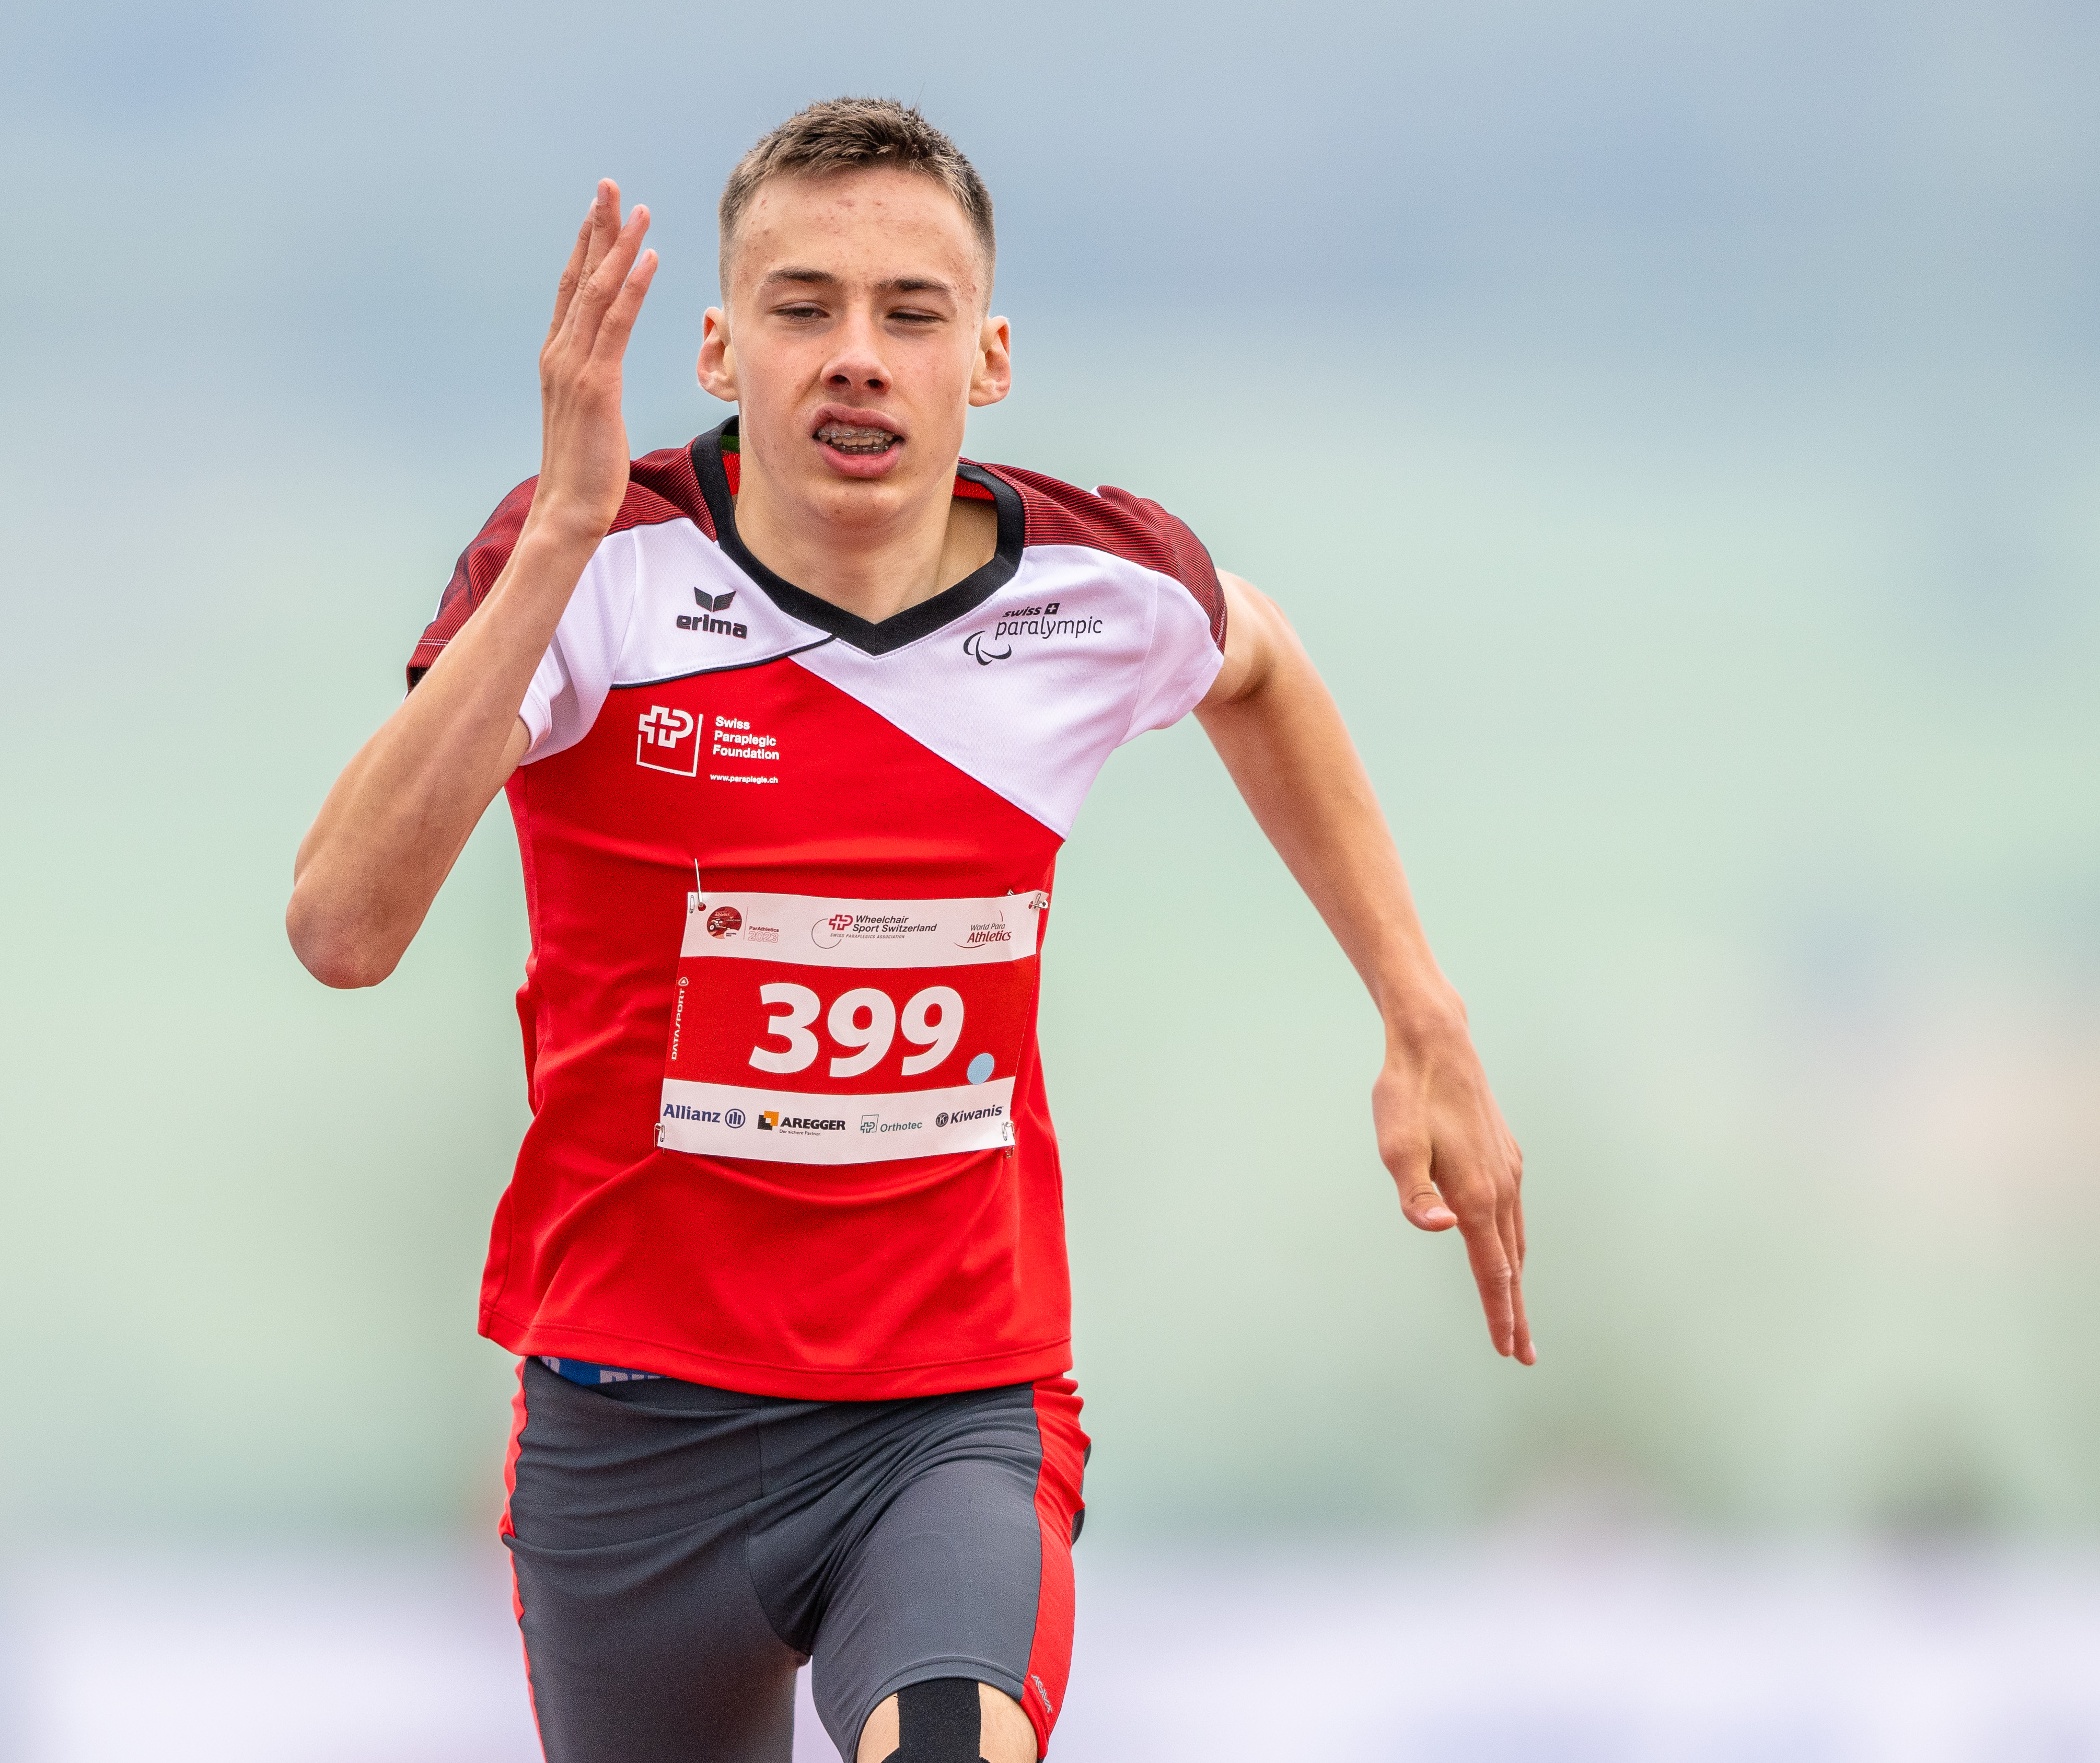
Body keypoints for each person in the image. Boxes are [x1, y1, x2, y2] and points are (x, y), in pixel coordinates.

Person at [288, 97, 1529, 1763]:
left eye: (910, 313)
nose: (856, 358)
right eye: (803, 309)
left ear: (988, 359)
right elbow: (341, 928)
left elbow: (1260, 665)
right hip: (629, 1428)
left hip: (947, 1415)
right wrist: (562, 532)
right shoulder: (595, 571)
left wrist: (1420, 1009)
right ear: (721, 350)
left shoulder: (1094, 587)